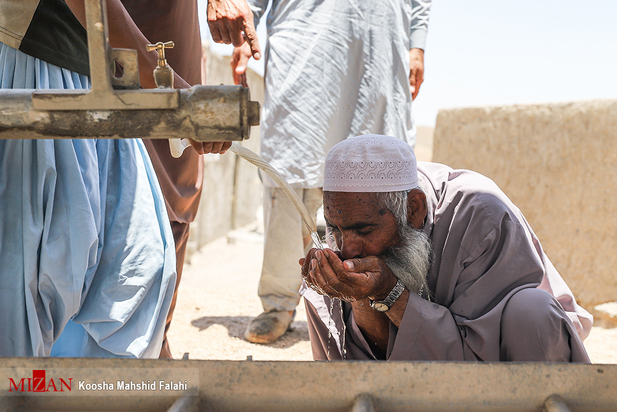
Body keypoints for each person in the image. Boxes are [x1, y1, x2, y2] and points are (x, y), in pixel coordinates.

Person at [231, 0, 432, 344]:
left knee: (379, 184)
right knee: (292, 166)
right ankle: (279, 303)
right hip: (307, 38)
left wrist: (418, 43)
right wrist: (243, 24)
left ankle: (381, 302)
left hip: (379, 42)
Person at [300, 134, 592, 362]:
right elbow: (371, 357)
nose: (349, 249)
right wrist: (361, 297)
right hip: (417, 378)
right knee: (321, 285)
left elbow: (477, 360)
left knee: (532, 311)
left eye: (363, 230)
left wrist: (391, 294)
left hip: (504, 369)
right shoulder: (348, 227)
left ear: (414, 209)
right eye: (335, 229)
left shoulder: (483, 215)